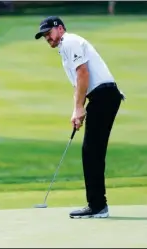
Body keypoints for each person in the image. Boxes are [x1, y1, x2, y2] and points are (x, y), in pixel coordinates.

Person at [34, 16, 125, 218]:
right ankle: (97, 204)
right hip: (101, 97)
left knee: (91, 151)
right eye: (44, 36)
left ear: (60, 28)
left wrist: (78, 108)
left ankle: (98, 206)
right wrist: (78, 110)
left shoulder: (70, 41)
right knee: (92, 151)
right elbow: (79, 83)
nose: (47, 38)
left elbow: (83, 73)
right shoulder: (65, 49)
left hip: (104, 95)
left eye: (49, 32)